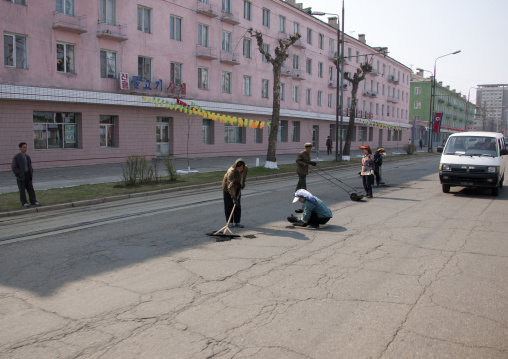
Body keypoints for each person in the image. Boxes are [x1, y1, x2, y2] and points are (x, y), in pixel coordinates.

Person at [222, 158, 248, 228]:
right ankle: (229, 222)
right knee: (229, 205)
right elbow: (230, 186)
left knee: (237, 205)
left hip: (237, 187)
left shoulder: (245, 168)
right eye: (238, 168)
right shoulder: (231, 172)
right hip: (228, 188)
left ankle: (237, 221)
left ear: (243, 167)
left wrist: (243, 183)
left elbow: (244, 176)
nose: (239, 170)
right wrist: (233, 197)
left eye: (241, 168)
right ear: (236, 167)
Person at [11, 142, 39, 207]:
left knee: (31, 189)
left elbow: (29, 165)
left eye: (26, 147)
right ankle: (24, 202)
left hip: (28, 175)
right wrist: (19, 174)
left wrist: (31, 171)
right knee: (22, 190)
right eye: (24, 147)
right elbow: (14, 167)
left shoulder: (27, 157)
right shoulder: (16, 157)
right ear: (20, 148)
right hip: (21, 176)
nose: (25, 149)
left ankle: (33, 201)